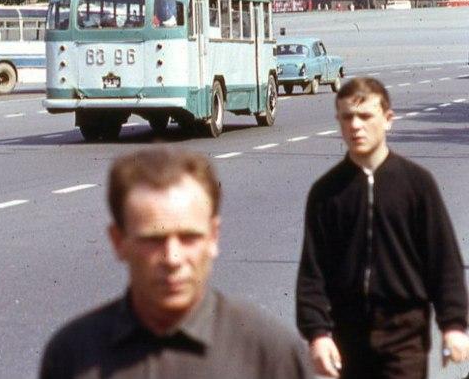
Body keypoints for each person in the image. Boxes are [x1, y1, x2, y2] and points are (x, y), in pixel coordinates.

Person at [39, 148, 311, 378]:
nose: (172, 259)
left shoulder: (269, 353)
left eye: (189, 238)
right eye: (153, 240)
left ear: (213, 237)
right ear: (118, 241)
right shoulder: (73, 354)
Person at [296, 76, 469, 379]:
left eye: (365, 116)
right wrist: (318, 334)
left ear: (388, 119)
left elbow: (443, 261)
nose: (355, 126)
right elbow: (313, 271)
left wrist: (453, 325)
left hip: (404, 334)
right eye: (347, 117)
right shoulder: (327, 192)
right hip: (348, 336)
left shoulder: (416, 184)